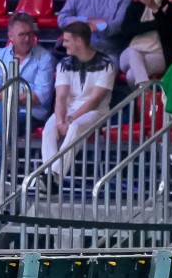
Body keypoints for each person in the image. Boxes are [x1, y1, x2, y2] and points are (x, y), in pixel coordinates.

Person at [40, 22, 117, 183]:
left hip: (95, 111)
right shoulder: (64, 64)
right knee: (48, 129)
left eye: (67, 40)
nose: (64, 44)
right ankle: (50, 178)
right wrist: (60, 121)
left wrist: (71, 118)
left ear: (79, 41)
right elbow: (61, 97)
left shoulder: (107, 64)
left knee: (74, 127)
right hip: (68, 109)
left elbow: (94, 100)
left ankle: (53, 177)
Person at [115, 0, 172, 84]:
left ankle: (142, 92)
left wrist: (154, 7)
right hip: (130, 53)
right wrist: (154, 24)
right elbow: (126, 30)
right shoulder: (135, 6)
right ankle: (145, 88)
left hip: (158, 54)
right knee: (132, 52)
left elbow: (167, 30)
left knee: (131, 75)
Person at [0, 12, 57, 123]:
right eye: (22, 34)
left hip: (32, 113)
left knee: (6, 118)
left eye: (30, 33)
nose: (27, 39)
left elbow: (40, 97)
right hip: (4, 109)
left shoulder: (45, 58)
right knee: (1, 112)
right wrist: (19, 97)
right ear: (11, 36)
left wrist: (7, 96)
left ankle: (4, 133)